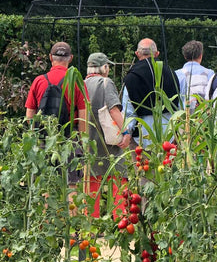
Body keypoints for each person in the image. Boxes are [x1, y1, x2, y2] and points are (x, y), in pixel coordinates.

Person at [25, 41, 87, 185]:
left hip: (44, 138)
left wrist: (35, 139)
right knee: (72, 184)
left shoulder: (39, 81)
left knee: (46, 184)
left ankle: (47, 208)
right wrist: (82, 144)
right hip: (71, 138)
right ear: (70, 58)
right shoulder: (77, 82)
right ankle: (72, 208)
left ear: (50, 58)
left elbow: (30, 116)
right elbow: (83, 117)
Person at [85, 52, 131, 218]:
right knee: (118, 181)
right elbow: (113, 109)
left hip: (88, 144)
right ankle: (121, 222)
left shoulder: (81, 84)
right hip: (108, 143)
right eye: (108, 65)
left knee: (92, 186)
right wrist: (125, 132)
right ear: (103, 67)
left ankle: (91, 225)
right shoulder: (105, 83)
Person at [122, 38, 180, 149]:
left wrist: (127, 133)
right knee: (166, 165)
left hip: (142, 137)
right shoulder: (171, 73)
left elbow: (129, 111)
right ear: (157, 53)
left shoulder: (132, 77)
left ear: (137, 54)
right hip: (168, 136)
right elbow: (178, 105)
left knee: (143, 166)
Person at [175, 40, 214, 113]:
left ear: (185, 56)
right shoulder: (210, 73)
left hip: (183, 117)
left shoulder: (177, 74)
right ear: (200, 55)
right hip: (204, 117)